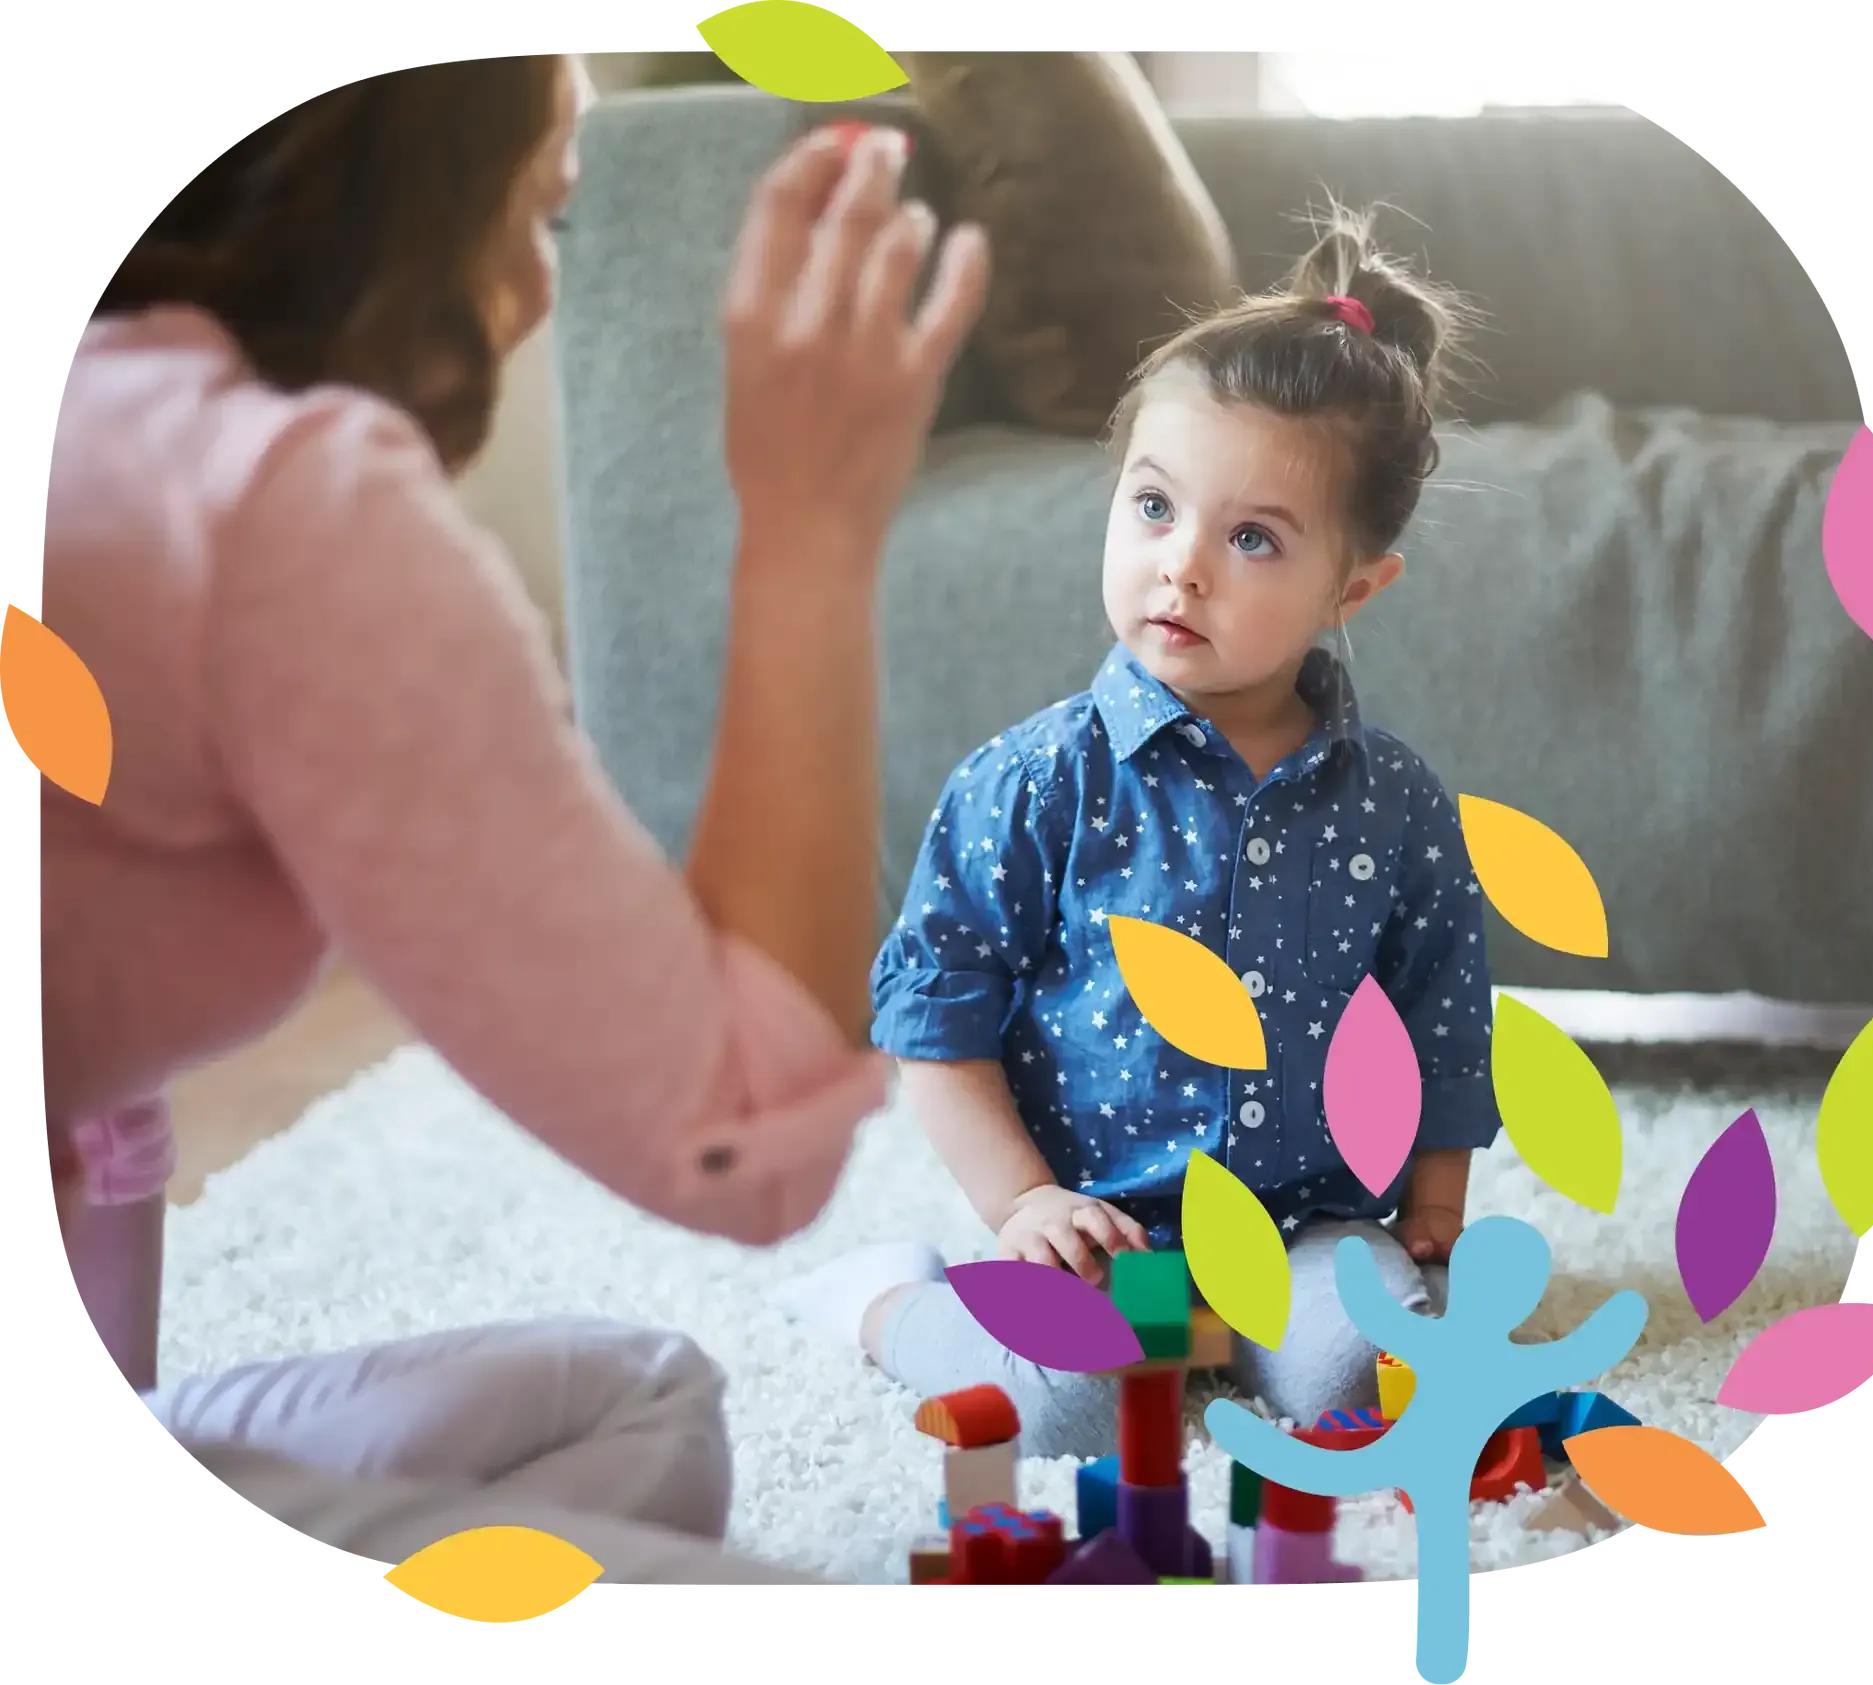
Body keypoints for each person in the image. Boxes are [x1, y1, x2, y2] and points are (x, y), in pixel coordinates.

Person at [41, 50, 989, 1589]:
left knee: (640, 1401)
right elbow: (739, 1145)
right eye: (542, 211)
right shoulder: (277, 497)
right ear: (410, 180)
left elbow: (97, 1093)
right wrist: (811, 528)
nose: (541, 293)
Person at [774, 205, 1501, 1458]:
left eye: (1253, 538)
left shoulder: (1394, 801)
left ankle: (1303, 1330)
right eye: (1155, 506)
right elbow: (938, 1023)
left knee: (1373, 1371)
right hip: (1102, 1227)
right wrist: (1024, 1201)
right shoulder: (1033, 783)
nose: (1184, 566)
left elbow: (1441, 1010)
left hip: (1307, 1225)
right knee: (1059, 1411)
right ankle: (885, 1299)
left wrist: (1435, 1203)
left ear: (1353, 587)